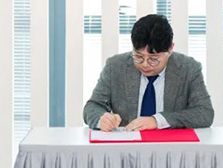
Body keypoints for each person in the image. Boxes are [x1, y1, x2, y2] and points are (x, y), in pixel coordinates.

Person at [83, 13, 215, 131]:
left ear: (170, 49)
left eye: (153, 59)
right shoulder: (115, 66)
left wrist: (157, 121)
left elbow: (205, 113)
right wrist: (102, 119)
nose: (145, 64)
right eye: (138, 56)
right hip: (128, 145)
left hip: (170, 146)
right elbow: (92, 107)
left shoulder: (188, 68)